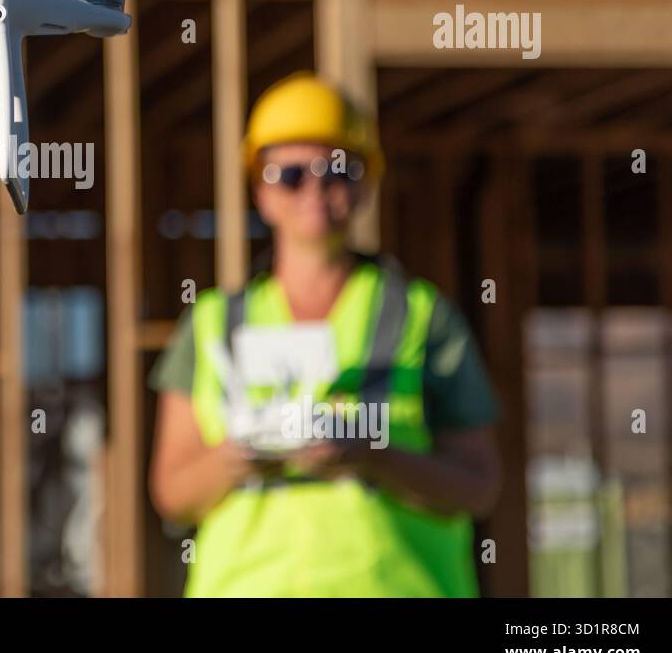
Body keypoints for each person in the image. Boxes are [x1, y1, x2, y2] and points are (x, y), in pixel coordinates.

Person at [148, 72, 502, 597]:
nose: (314, 188)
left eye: (336, 169)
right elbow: (172, 493)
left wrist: (372, 455)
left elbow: (478, 485)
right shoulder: (211, 323)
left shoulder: (423, 316)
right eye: (289, 174)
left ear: (365, 183)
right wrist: (237, 456)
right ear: (260, 191)